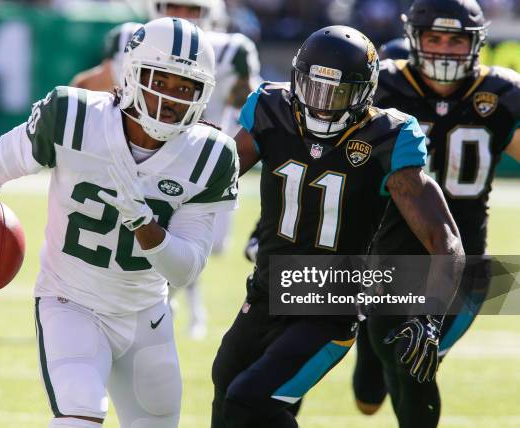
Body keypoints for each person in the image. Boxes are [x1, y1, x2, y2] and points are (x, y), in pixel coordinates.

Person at [0, 17, 239, 428]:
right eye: (159, 80)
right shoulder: (74, 116)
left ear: (203, 94)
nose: (169, 97)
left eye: (185, 88)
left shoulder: (211, 155)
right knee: (78, 417)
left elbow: (184, 269)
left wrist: (143, 223)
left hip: (146, 312)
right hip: (70, 301)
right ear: (132, 73)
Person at [211, 25, 465, 428]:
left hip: (331, 305)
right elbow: (216, 175)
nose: (323, 105)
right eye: (315, 89)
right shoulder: (269, 108)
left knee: (248, 399)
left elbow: (445, 241)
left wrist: (430, 315)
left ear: (365, 93)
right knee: (225, 394)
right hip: (267, 291)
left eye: (339, 94)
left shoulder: (388, 136)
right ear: (297, 79)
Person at [351, 0, 520, 426]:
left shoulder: (501, 93)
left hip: (463, 264)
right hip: (385, 261)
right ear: (414, 39)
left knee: (414, 363)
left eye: (456, 40)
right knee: (368, 396)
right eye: (435, 38)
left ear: (475, 43)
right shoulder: (382, 86)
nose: (445, 50)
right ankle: (370, 346)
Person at [72, 0, 261, 339]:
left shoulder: (231, 51)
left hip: (199, 163)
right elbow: (88, 89)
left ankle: (170, 302)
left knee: (204, 247)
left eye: (192, 9)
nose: (181, 15)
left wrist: (227, 161)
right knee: (151, 239)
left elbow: (255, 110)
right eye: (173, 6)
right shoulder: (131, 40)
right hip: (141, 158)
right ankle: (149, 307)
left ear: (210, 15)